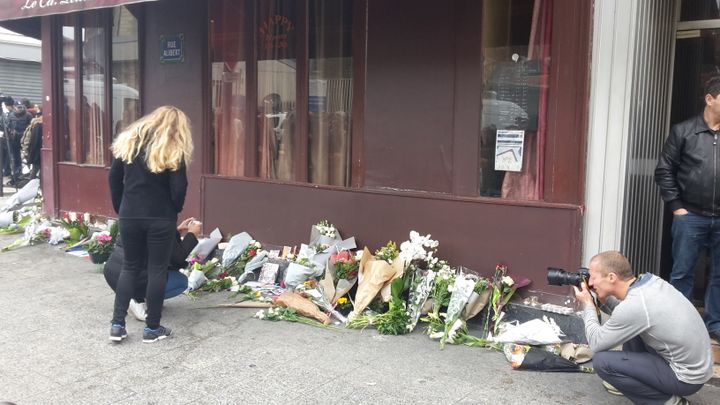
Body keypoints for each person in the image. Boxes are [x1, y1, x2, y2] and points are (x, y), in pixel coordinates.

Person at [573, 251, 713, 405]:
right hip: (697, 367)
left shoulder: (635, 306)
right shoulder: (650, 283)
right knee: (631, 330)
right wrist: (602, 299)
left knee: (602, 362)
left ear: (611, 277)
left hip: (686, 379)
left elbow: (596, 343)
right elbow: (626, 313)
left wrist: (588, 304)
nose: (590, 283)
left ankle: (669, 402)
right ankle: (634, 379)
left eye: (593, 277)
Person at [108, 105, 193, 343]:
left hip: (130, 214)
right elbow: (179, 188)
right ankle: (152, 329)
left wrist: (120, 207)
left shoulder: (128, 142)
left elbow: (114, 178)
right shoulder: (173, 149)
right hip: (160, 217)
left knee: (130, 267)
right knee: (157, 270)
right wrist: (173, 209)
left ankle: (117, 325)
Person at [655, 75, 720, 342]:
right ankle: (679, 327)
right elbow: (664, 170)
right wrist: (677, 207)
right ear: (710, 99)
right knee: (682, 271)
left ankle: (715, 325)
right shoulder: (684, 131)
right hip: (690, 215)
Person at [104, 217, 202, 321]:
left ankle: (129, 296)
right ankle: (137, 300)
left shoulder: (134, 211)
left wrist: (176, 230)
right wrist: (192, 234)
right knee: (181, 281)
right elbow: (177, 257)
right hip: (135, 279)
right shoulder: (163, 218)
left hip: (112, 272)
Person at [6, 100, 33, 185]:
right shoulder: (10, 116)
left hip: (25, 140)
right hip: (14, 140)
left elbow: (31, 127)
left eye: (21, 107)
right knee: (15, 158)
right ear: (14, 107)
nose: (20, 109)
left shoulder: (28, 115)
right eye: (18, 107)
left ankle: (28, 174)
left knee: (27, 157)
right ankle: (16, 175)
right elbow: (7, 126)